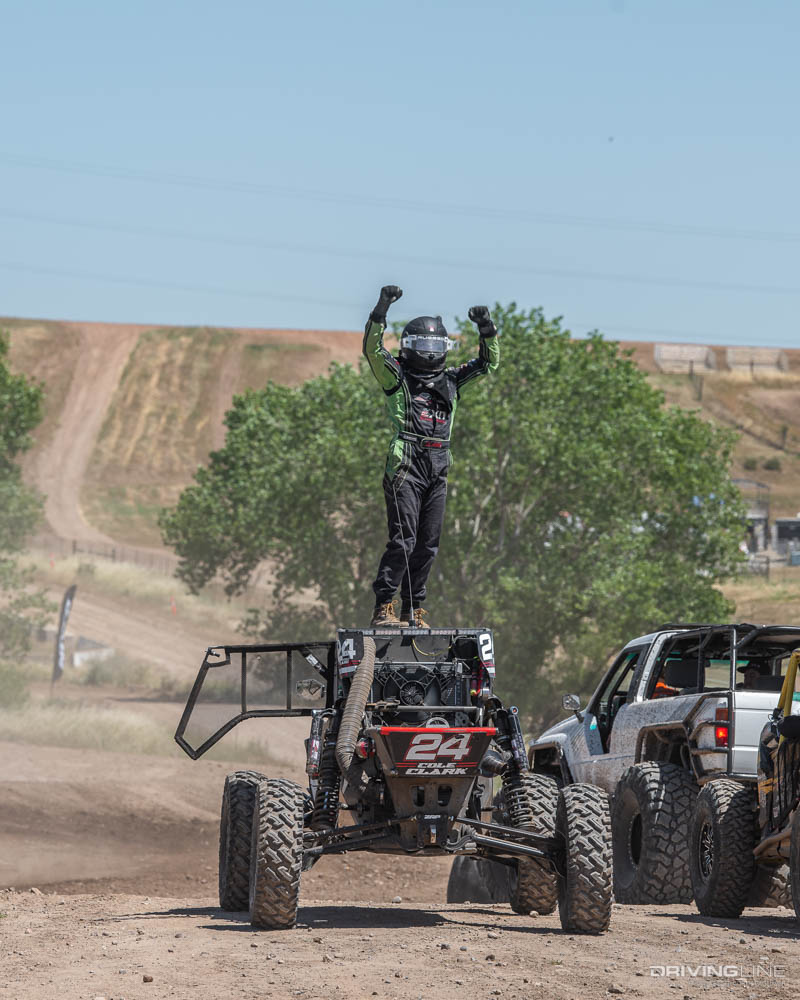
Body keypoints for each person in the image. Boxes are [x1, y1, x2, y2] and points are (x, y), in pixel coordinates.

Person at [363, 284, 500, 627]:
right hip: (405, 464)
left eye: (434, 346)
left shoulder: (452, 381)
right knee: (403, 540)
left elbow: (488, 364)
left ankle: (413, 608)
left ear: (444, 349)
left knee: (428, 544)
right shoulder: (398, 378)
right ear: (408, 349)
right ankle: (384, 607)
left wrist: (487, 327)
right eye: (422, 345)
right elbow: (372, 350)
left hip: (439, 467)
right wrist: (382, 308)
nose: (428, 352)